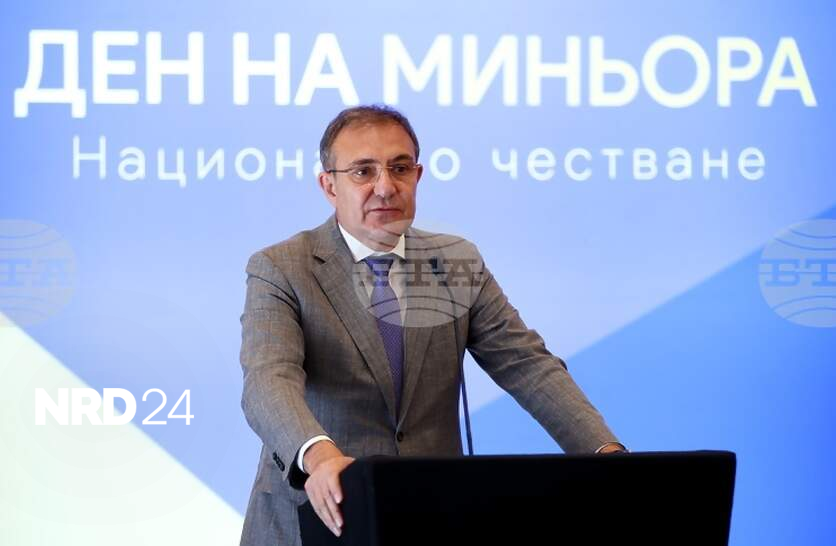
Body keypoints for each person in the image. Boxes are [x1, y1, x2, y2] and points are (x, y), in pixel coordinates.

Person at [239, 105, 626, 546]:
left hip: (429, 513)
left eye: (399, 168)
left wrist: (605, 452)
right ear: (329, 185)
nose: (385, 186)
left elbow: (527, 365)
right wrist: (319, 456)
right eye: (363, 172)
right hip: (314, 519)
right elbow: (268, 380)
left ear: (417, 176)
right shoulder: (282, 267)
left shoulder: (457, 261)